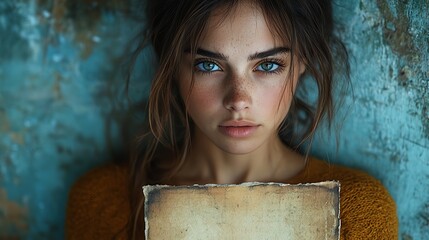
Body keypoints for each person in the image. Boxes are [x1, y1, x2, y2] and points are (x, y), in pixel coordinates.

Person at [66, 0, 398, 239]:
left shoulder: (354, 211)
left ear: (302, 63)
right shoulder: (105, 203)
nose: (238, 100)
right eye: (208, 65)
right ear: (171, 66)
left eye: (267, 66)